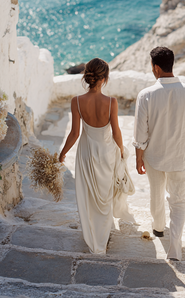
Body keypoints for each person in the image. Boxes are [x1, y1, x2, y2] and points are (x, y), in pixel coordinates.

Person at [133, 46, 185, 261]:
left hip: (154, 156)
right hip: (182, 155)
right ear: (171, 64)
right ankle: (175, 248)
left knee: (156, 194)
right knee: (179, 201)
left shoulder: (146, 95)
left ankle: (157, 229)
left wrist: (138, 156)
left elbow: (140, 132)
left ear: (155, 68)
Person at [59, 57, 134, 254]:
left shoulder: (77, 101)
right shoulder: (111, 103)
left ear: (87, 77)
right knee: (105, 194)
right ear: (105, 79)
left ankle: (92, 233)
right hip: (106, 152)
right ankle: (103, 234)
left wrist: (63, 153)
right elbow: (116, 131)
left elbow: (75, 133)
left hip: (86, 152)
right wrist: (121, 150)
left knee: (87, 195)